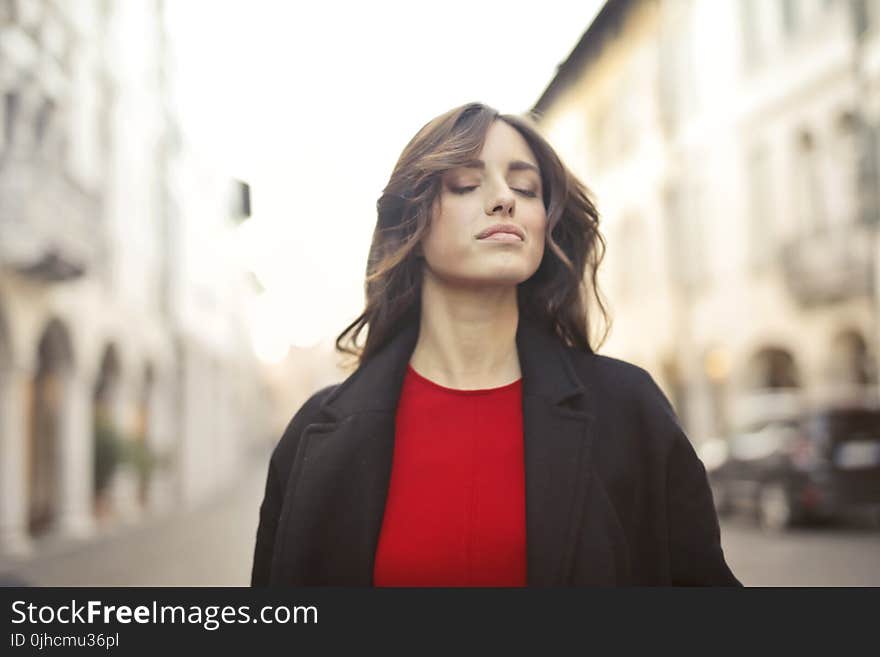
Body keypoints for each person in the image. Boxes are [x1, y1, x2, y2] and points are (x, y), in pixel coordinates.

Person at [251, 102, 741, 587]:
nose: (504, 197)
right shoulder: (315, 436)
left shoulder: (629, 410)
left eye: (526, 188)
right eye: (466, 184)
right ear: (412, 227)